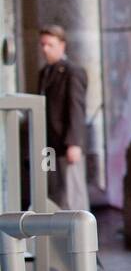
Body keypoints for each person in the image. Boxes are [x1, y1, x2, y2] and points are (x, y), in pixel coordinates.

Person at [37, 24, 88, 210]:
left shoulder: (73, 72)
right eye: (42, 44)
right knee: (54, 191)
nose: (45, 49)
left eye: (49, 44)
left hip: (66, 144)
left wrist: (74, 143)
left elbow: (76, 109)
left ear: (62, 45)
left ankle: (79, 237)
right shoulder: (44, 73)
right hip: (49, 145)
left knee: (72, 194)